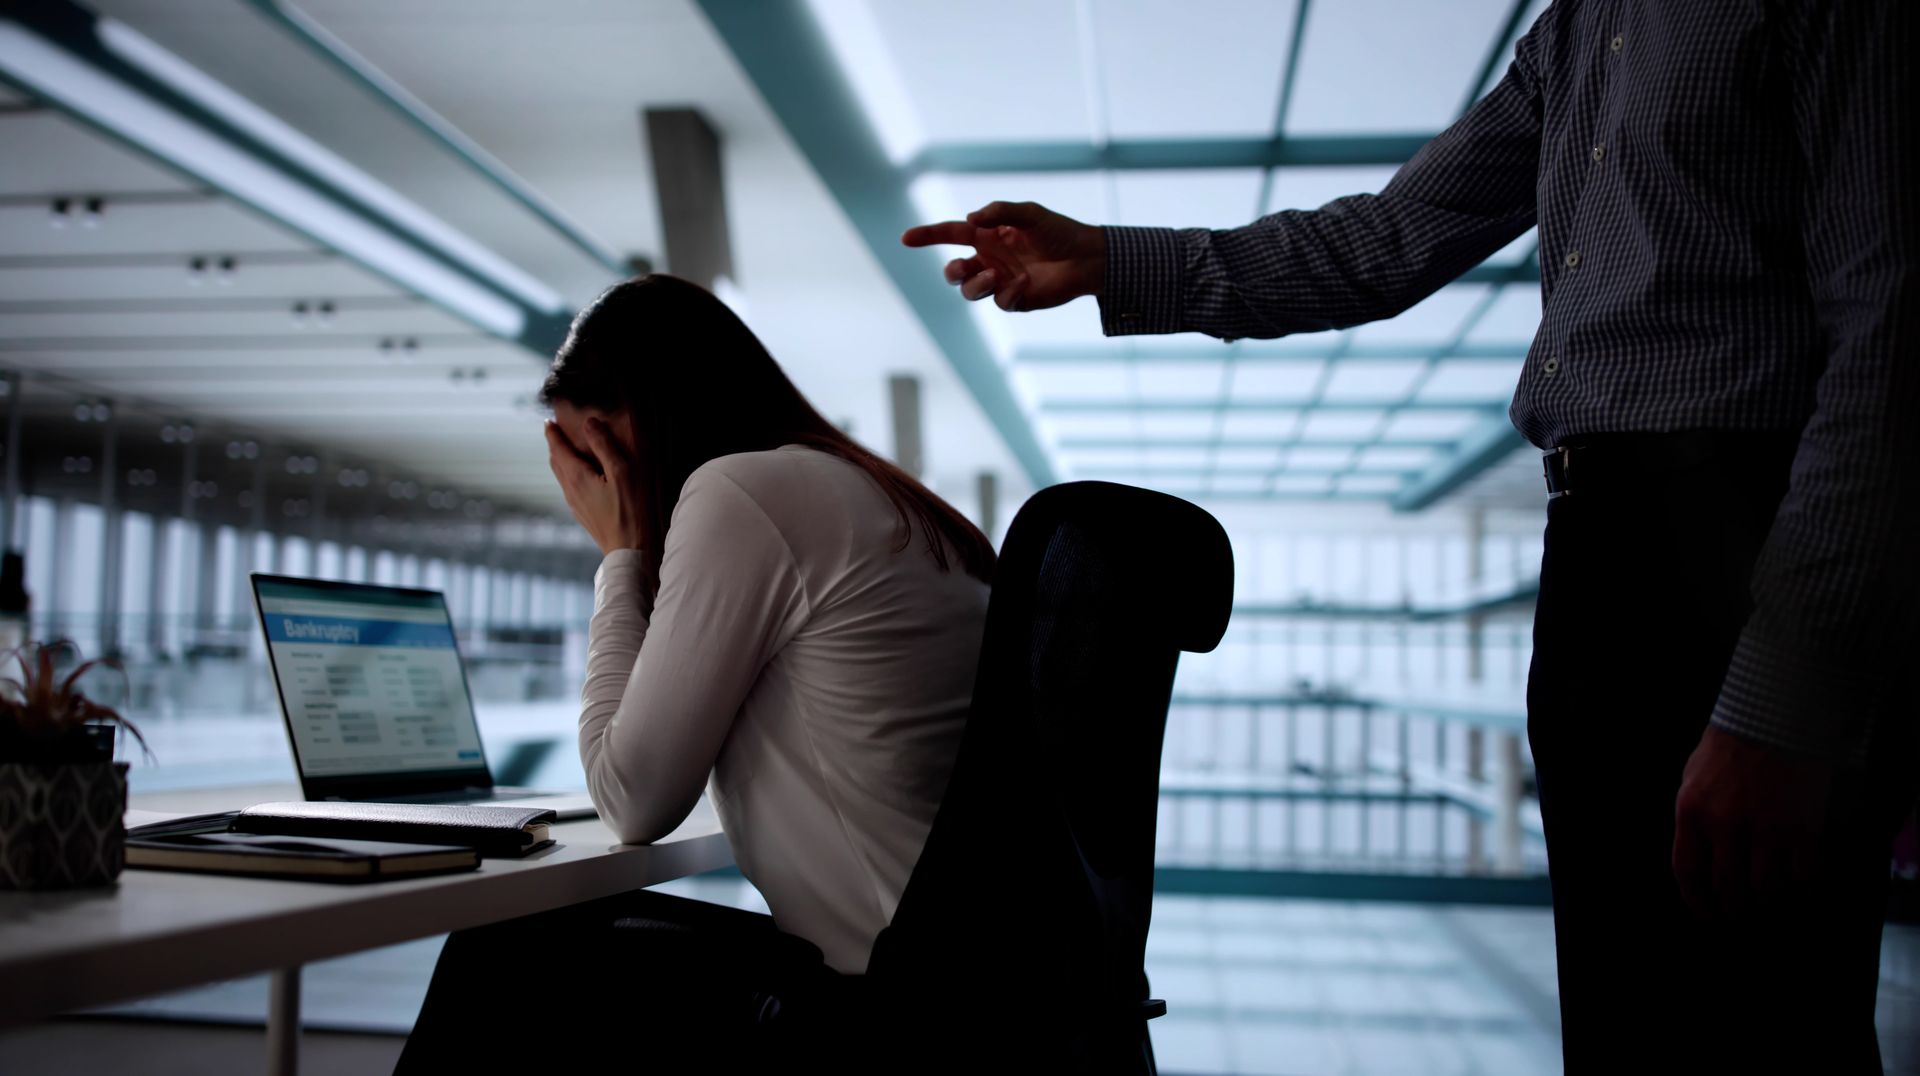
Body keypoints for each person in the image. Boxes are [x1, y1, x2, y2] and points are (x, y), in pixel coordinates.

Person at [902, 3, 1916, 1071]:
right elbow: (1385, 243)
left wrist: (1791, 688)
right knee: (1628, 1017)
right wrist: (1110, 259)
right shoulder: (1575, 31)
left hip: (1747, 546)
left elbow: (1896, 331)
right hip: (1599, 555)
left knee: (1766, 1016)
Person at [396, 274, 994, 1071]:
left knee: (505, 944)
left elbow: (633, 798)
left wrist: (620, 555)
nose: (586, 488)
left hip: (884, 1008)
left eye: (588, 459)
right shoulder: (877, 496)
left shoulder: (744, 491)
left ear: (623, 431)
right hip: (989, 988)